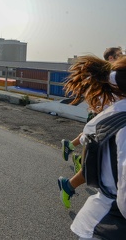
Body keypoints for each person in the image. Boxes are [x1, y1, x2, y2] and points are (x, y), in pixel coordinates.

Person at [61, 55, 126, 239]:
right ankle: (68, 184)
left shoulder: (116, 117)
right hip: (113, 223)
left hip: (103, 216)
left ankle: (68, 183)